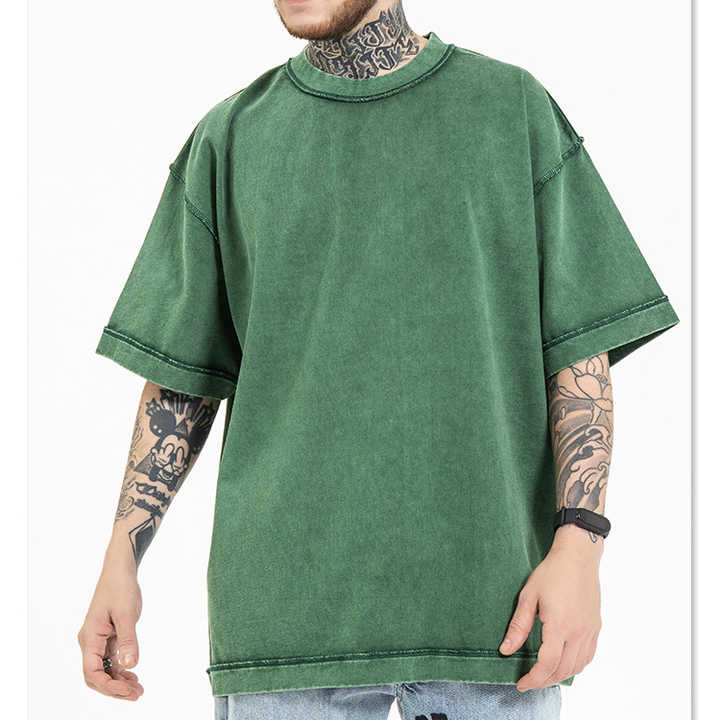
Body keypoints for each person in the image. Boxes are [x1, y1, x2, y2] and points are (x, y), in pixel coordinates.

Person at [77, 1, 680, 718]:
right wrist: (121, 558)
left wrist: (581, 546)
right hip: (284, 630)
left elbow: (580, 352)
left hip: (492, 623)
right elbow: (183, 381)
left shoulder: (511, 110)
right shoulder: (230, 138)